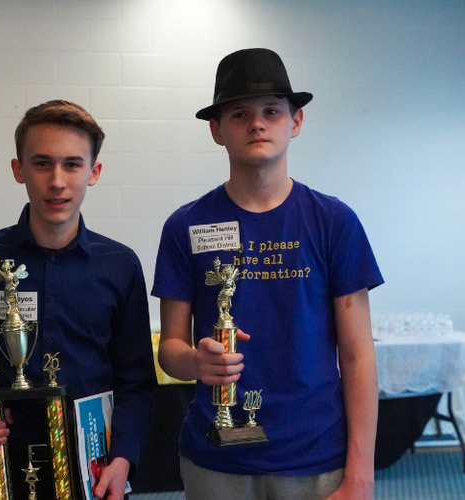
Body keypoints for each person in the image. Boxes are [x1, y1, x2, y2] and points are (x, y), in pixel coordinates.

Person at [153, 48, 383, 500]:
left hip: (317, 456)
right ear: (217, 129)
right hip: (216, 459)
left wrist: (361, 472)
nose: (257, 124)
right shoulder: (186, 226)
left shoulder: (333, 221)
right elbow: (170, 349)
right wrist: (196, 362)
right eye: (240, 114)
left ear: (295, 122)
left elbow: (358, 355)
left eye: (272, 111)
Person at [0, 100, 156, 500]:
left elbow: (136, 379)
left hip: (94, 465)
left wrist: (124, 458)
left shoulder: (120, 265)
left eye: (72, 164)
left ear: (94, 172)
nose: (57, 181)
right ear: (18, 169)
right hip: (2, 463)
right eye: (42, 164)